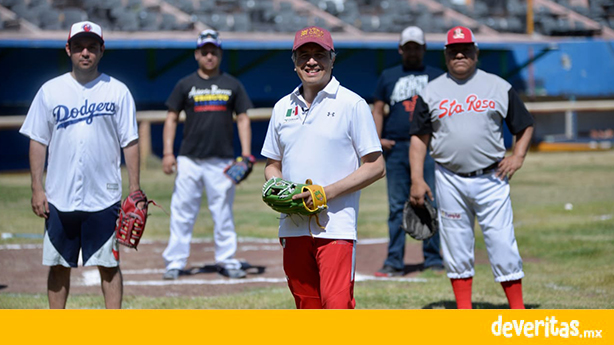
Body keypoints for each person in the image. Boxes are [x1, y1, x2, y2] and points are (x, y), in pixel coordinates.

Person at [409, 26, 534, 309]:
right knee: (456, 244)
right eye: (454, 51)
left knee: (502, 243)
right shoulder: (431, 91)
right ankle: (464, 310)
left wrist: (518, 156)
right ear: (446, 55)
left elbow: (524, 125)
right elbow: (418, 138)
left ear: (476, 52)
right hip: (449, 177)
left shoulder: (498, 86)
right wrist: (417, 178)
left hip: (492, 176)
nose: (460, 54)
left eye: (466, 49)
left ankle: (518, 310)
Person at [261, 26, 386, 309]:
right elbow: (272, 164)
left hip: (336, 228)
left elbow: (376, 166)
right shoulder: (282, 107)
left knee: (337, 307)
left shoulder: (352, 104)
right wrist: (277, 186)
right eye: (304, 55)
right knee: (307, 307)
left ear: (332, 58)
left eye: (319, 54)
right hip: (292, 228)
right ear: (294, 62)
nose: (311, 61)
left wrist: (324, 193)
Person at [19, 21, 141, 309]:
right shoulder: (50, 91)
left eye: (91, 47)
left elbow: (130, 142)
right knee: (59, 264)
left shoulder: (118, 91)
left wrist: (134, 189)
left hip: (105, 196)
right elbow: (38, 141)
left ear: (101, 50)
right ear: (68, 49)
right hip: (59, 196)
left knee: (108, 265)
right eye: (78, 47)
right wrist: (37, 188)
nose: (84, 52)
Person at [161, 29, 254, 280]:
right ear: (197, 54)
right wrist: (168, 153)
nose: (209, 56)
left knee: (223, 213)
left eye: (214, 52)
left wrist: (246, 154)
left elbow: (243, 119)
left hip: (222, 161)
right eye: (205, 52)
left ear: (220, 54)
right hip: (189, 159)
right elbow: (171, 119)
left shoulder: (232, 84)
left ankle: (226, 260)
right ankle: (175, 262)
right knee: (182, 212)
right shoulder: (185, 84)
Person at [372, 26, 444, 277]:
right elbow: (378, 109)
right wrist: (377, 138)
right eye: (408, 47)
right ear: (401, 49)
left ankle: (434, 258)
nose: (412, 51)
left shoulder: (437, 76)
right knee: (396, 207)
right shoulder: (389, 76)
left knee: (429, 201)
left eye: (417, 47)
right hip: (397, 148)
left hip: (428, 148)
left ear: (424, 49)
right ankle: (394, 261)